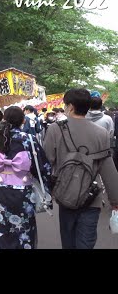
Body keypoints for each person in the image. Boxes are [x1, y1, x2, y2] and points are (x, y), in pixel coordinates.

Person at [43, 88, 118, 249]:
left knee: (68, 240)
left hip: (65, 194)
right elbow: (108, 169)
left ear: (70, 106)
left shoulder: (55, 129)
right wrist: (115, 201)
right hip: (92, 196)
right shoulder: (102, 133)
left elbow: (46, 161)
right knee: (86, 242)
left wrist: (47, 193)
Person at [0, 106, 53, 249]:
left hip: (0, 192)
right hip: (23, 194)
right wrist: (48, 188)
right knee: (24, 231)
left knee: (1, 230)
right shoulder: (29, 140)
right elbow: (44, 168)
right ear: (23, 121)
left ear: (4, 120)